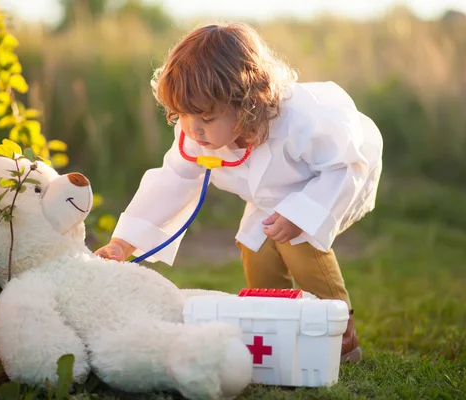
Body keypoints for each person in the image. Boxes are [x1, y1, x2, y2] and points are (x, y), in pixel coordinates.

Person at [95, 22, 383, 362]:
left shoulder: (304, 121)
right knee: (255, 246)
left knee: (299, 243)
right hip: (272, 196)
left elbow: (344, 165)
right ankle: (278, 324)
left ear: (248, 103)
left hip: (329, 179)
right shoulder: (195, 133)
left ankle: (337, 330)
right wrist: (124, 242)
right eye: (183, 114)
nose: (192, 128)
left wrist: (301, 213)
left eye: (205, 116)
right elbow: (172, 181)